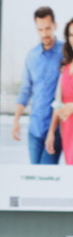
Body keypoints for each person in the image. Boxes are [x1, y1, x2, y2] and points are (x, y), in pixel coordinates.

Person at [15, 6, 62, 164]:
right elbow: (25, 91)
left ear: (54, 26)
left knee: (46, 176)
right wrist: (16, 121)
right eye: (40, 29)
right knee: (34, 178)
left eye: (48, 28)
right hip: (34, 130)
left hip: (55, 130)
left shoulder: (66, 53)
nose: (44, 34)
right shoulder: (32, 56)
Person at [45, 17, 73, 163]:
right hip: (67, 129)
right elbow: (58, 102)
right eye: (71, 35)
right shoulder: (65, 66)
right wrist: (51, 132)